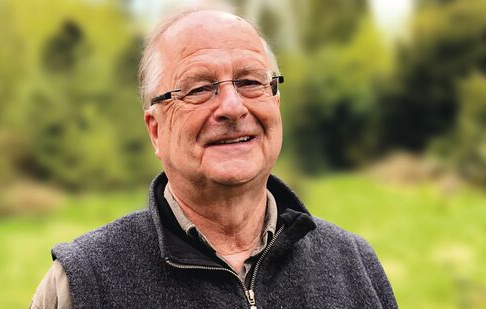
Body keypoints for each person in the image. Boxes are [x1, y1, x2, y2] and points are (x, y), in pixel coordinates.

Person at [30, 8, 397, 309]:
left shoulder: (354, 265)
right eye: (200, 88)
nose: (233, 107)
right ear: (156, 130)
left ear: (275, 104)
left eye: (250, 81)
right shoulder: (83, 284)